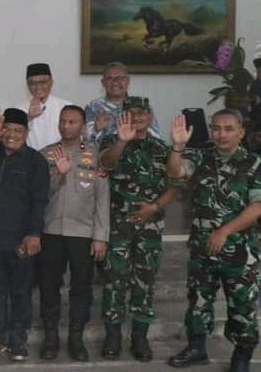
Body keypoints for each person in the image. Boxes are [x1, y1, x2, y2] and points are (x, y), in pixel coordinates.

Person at [167, 110, 261, 372]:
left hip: (240, 251)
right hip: (202, 247)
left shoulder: (255, 163)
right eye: (217, 128)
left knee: (242, 305)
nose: (222, 134)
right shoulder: (201, 158)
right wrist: (177, 147)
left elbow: (258, 207)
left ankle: (241, 356)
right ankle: (197, 348)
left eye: (229, 129)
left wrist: (224, 232)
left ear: (241, 131)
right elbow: (175, 172)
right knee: (198, 301)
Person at [97, 96, 177, 361]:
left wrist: (154, 207)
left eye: (143, 113)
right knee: (114, 281)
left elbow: (174, 185)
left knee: (145, 281)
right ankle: (112, 336)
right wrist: (122, 141)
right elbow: (105, 164)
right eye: (131, 113)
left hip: (150, 227)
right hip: (118, 225)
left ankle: (140, 338)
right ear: (122, 117)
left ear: (150, 117)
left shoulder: (161, 148)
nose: (138, 117)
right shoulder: (111, 142)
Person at [0, 108, 49, 362]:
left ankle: (18, 341)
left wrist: (34, 234)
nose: (12, 135)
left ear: (26, 133)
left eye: (18, 131)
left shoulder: (35, 162)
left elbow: (40, 201)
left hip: (21, 240)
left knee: (20, 292)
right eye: (8, 130)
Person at [37, 105, 109, 361]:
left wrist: (100, 236)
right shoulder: (45, 154)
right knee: (49, 286)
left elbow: (102, 198)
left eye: (72, 122)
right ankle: (51, 338)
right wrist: (58, 173)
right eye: (63, 121)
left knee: (81, 287)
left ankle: (76, 338)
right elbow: (38, 194)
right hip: (51, 231)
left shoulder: (95, 155)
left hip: (82, 232)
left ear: (82, 125)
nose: (66, 126)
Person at [84, 63, 160, 145]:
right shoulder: (93, 107)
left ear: (128, 80)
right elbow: (84, 141)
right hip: (103, 152)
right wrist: (96, 129)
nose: (115, 82)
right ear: (103, 82)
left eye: (119, 78)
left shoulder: (142, 107)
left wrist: (139, 130)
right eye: (109, 78)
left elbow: (156, 138)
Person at [18, 63, 71, 151]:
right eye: (33, 83)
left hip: (61, 156)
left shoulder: (67, 107)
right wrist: (29, 118)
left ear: (51, 82)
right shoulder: (18, 110)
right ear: (27, 85)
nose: (38, 87)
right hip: (31, 157)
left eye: (42, 82)